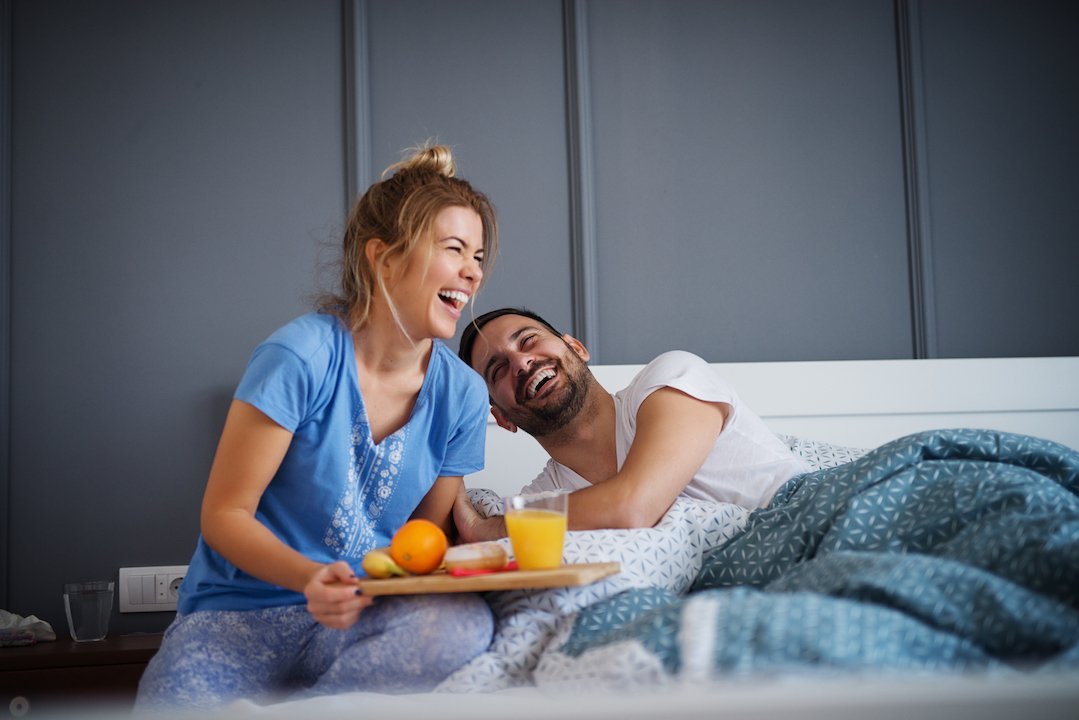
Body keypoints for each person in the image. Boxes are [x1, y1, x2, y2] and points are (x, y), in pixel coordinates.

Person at [136, 144, 499, 710]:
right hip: (239, 615)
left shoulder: (464, 396)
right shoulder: (299, 356)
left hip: (360, 615)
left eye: (478, 255)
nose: (473, 272)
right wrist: (310, 579)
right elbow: (224, 514)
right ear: (384, 258)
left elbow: (418, 544)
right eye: (454, 249)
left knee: (460, 627)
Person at [452, 308, 808, 541]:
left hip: (813, 523)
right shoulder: (539, 503)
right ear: (502, 417)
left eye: (528, 340)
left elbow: (634, 505)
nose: (522, 362)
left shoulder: (669, 377)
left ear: (576, 347)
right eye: (498, 369)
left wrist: (489, 529)